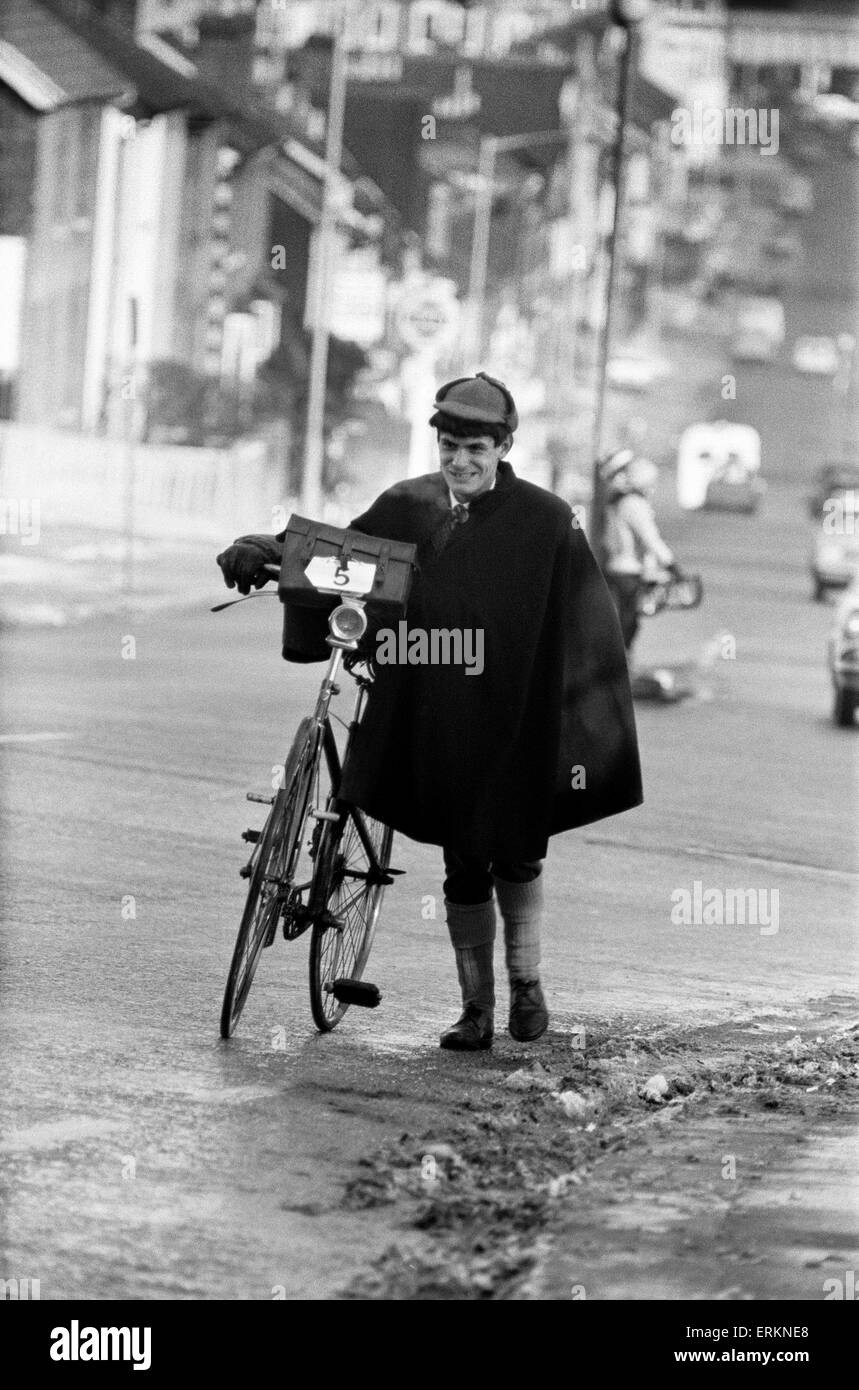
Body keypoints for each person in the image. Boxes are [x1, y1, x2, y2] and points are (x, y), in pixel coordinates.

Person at [217, 373, 642, 1051]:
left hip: (514, 719)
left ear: (504, 446)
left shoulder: (545, 521)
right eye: (449, 446)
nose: (460, 461)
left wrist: (575, 719)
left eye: (475, 447)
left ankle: (526, 983)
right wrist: (265, 547)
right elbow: (340, 552)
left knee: (516, 856)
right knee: (461, 864)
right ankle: (475, 1010)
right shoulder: (408, 505)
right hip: (434, 713)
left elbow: (589, 629)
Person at [600, 449, 680, 656]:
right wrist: (671, 565)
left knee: (624, 619)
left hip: (616, 568)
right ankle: (621, 664)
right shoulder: (633, 504)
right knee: (628, 622)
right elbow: (650, 539)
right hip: (628, 571)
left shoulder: (616, 501)